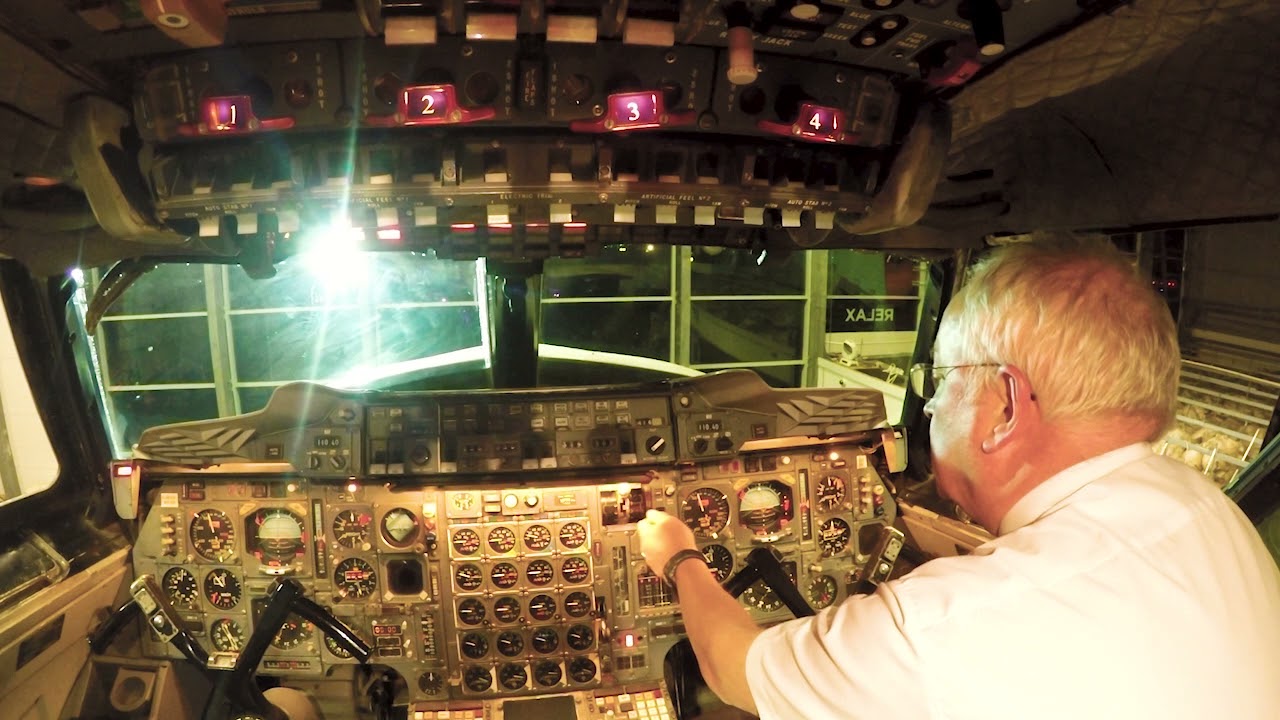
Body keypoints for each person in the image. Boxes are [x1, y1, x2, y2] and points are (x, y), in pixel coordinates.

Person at [638, 236, 1280, 719]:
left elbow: (730, 667)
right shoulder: (1205, 507)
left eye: (942, 380)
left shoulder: (946, 626)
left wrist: (679, 555)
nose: (933, 405)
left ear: (1003, 406)